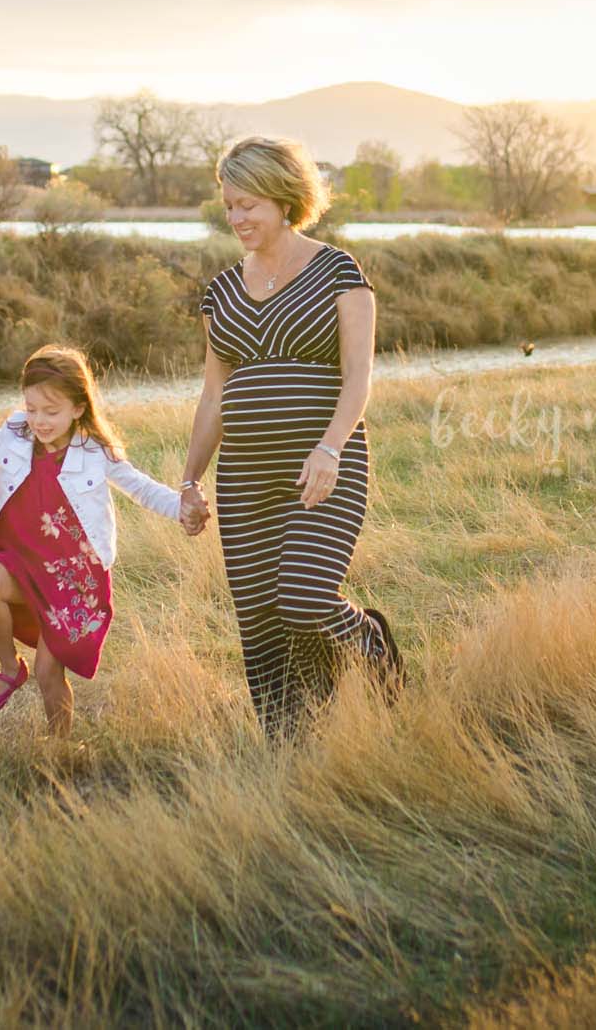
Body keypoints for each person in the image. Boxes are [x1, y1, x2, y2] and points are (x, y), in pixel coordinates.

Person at [179, 134, 402, 739]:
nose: (237, 217)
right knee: (260, 622)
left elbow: (359, 378)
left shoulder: (338, 271)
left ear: (283, 198)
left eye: (248, 203)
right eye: (230, 205)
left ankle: (372, 644)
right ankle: (292, 744)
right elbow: (213, 395)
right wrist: (190, 480)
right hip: (244, 480)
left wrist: (330, 448)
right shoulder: (221, 292)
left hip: (322, 469)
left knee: (304, 599)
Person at [0, 344, 199, 735]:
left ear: (78, 408)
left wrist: (182, 508)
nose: (39, 420)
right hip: (19, 562)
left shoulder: (95, 452)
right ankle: (8, 668)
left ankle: (61, 745)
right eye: (32, 408)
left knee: (49, 674)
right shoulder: (13, 433)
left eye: (51, 411)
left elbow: (141, 488)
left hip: (72, 579)